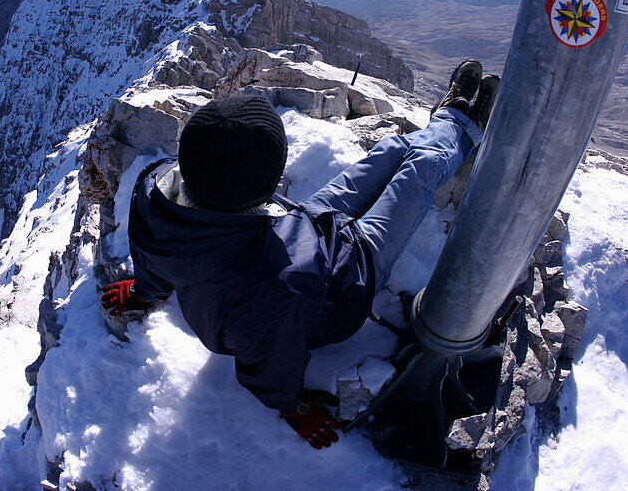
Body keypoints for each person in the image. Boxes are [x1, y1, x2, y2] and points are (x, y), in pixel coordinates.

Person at [101, 60, 499, 449]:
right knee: (420, 170)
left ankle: (449, 120)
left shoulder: (156, 192)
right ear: (261, 192)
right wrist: (294, 406)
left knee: (391, 150)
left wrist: (144, 292)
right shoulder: (269, 290)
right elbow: (270, 361)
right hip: (348, 276)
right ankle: (461, 124)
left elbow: (153, 253)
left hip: (302, 227)